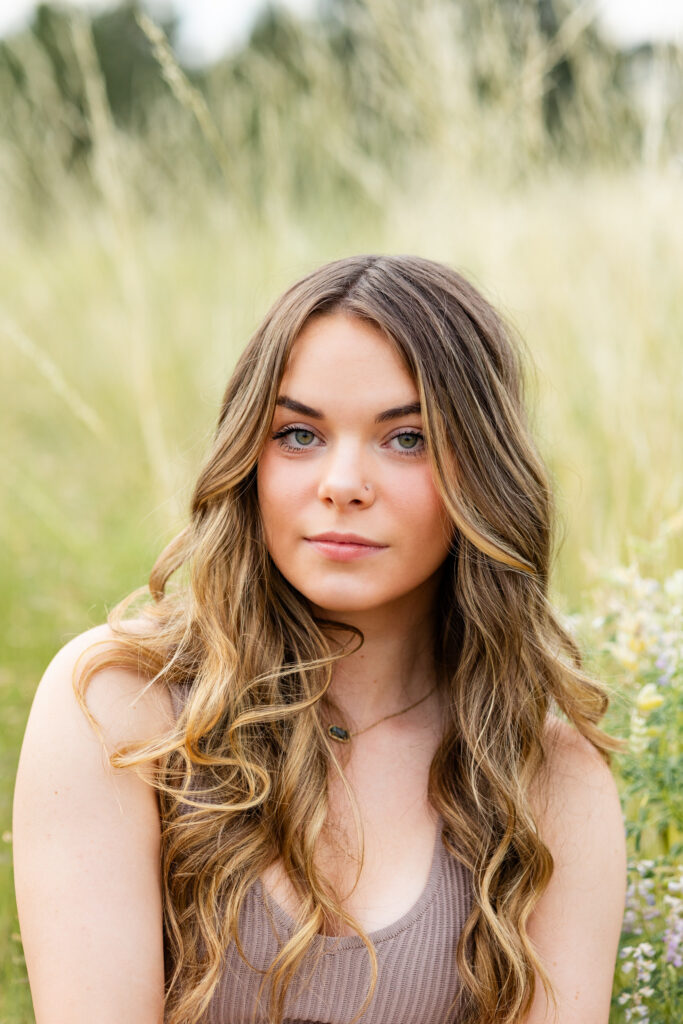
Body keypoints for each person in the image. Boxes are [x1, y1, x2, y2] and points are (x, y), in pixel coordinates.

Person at [13, 254, 627, 1024]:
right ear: (250, 460)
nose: (341, 482)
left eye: (406, 439)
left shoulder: (549, 780)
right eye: (298, 434)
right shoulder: (117, 709)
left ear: (483, 472)